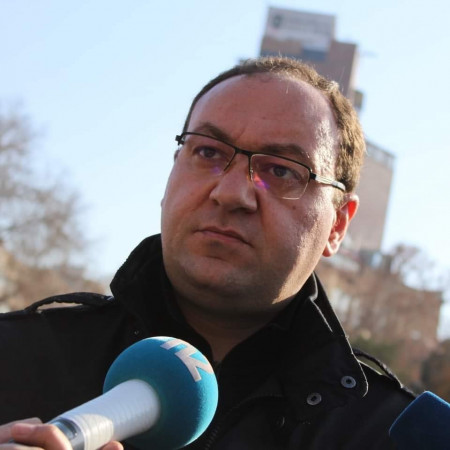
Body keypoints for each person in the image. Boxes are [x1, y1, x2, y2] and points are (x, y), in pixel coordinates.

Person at [0, 56, 414, 449]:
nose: (231, 193)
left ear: (338, 224)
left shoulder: (393, 435)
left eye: (280, 170)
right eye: (208, 152)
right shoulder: (14, 355)